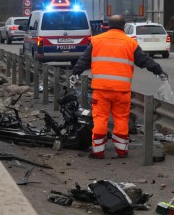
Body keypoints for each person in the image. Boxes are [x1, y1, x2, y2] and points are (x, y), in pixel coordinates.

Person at [71, 15, 168, 159]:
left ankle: (98, 151)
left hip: (101, 90)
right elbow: (145, 60)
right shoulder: (130, 43)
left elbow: (84, 60)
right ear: (123, 26)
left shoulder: (97, 41)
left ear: (108, 25)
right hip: (121, 91)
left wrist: (75, 73)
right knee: (121, 119)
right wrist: (159, 71)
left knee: (100, 119)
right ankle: (122, 150)